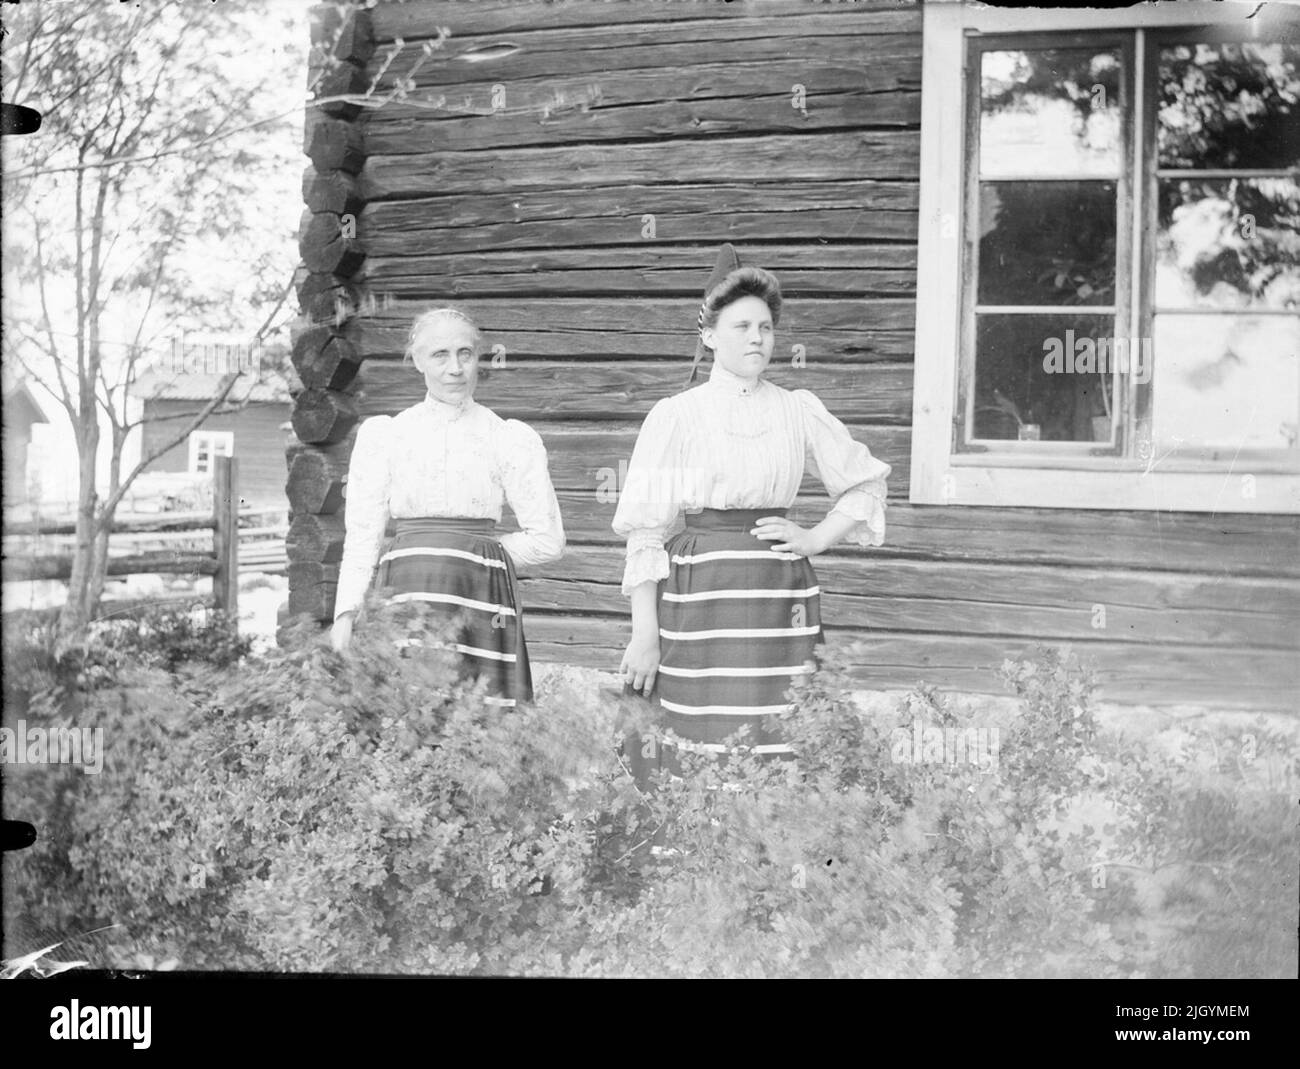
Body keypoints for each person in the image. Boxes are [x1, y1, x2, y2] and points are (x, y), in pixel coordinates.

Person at [613, 245, 889, 767]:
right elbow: (647, 533)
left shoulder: (797, 408)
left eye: (765, 327)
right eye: (741, 327)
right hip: (698, 595)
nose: (757, 338)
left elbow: (865, 484)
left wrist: (814, 538)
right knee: (697, 724)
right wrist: (644, 634)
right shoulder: (678, 415)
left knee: (780, 723)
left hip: (778, 595)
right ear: (709, 335)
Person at [331, 307, 565, 706]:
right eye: (440, 355)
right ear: (417, 360)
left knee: (480, 722)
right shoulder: (387, 435)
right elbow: (363, 539)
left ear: (478, 358)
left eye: (465, 354)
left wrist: (478, 554)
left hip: (479, 596)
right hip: (405, 592)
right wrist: (345, 615)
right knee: (406, 720)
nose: (454, 368)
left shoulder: (507, 438)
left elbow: (548, 540)